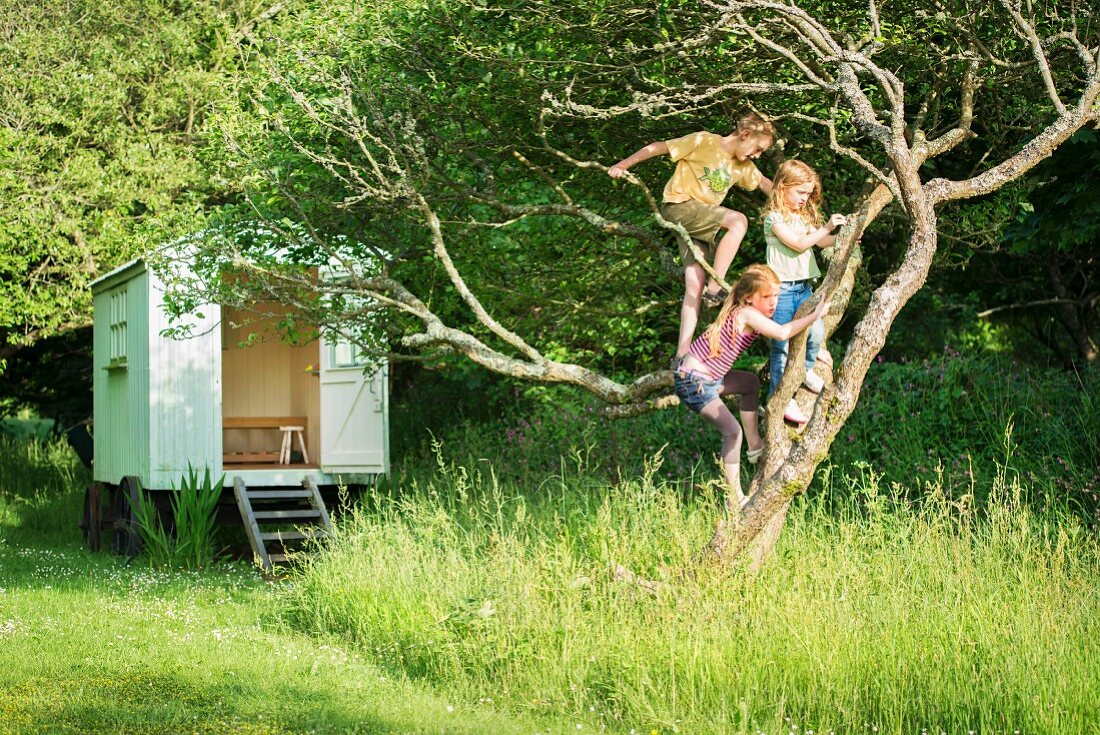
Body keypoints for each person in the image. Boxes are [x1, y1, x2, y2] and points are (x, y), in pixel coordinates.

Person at [608, 113, 776, 365]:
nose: (758, 155)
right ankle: (716, 288)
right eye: (759, 149)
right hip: (680, 208)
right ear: (746, 135)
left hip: (702, 221)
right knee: (738, 221)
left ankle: (681, 355)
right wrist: (623, 164)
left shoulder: (743, 166)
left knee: (694, 283)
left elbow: (764, 183)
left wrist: (795, 201)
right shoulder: (703, 141)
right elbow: (658, 148)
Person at [674, 264, 827, 509]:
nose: (773, 302)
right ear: (748, 298)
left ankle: (755, 445)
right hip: (694, 382)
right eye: (766, 297)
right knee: (732, 432)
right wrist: (815, 316)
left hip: (709, 379)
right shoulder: (747, 314)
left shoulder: (749, 312)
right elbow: (782, 333)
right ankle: (733, 498)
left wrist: (816, 349)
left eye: (776, 295)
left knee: (749, 383)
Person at [762, 159, 846, 424]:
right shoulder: (774, 219)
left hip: (804, 288)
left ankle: (807, 370)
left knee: (815, 334)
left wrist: (845, 235)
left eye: (808, 194)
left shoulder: (803, 217)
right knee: (782, 347)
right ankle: (780, 399)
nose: (805, 198)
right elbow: (799, 245)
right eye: (801, 192)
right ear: (782, 188)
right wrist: (827, 226)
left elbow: (821, 242)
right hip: (782, 291)